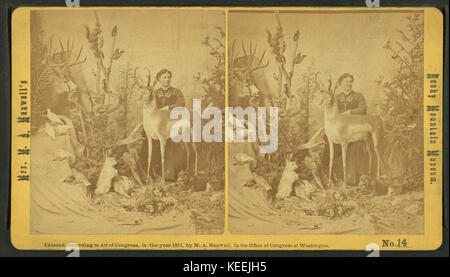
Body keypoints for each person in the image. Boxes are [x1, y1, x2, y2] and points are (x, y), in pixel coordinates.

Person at [323, 73, 370, 186]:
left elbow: (363, 109)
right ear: (340, 84)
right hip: (338, 129)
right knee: (328, 144)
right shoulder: (337, 97)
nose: (348, 84)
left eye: (350, 81)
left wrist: (350, 112)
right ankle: (329, 178)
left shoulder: (358, 96)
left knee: (356, 147)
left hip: (352, 129)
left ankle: (356, 180)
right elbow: (329, 109)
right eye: (346, 82)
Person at [140, 69, 187, 182]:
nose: (167, 79)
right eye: (164, 77)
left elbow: (181, 103)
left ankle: (171, 175)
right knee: (146, 137)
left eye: (168, 77)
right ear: (159, 79)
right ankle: (149, 173)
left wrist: (168, 107)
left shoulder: (176, 92)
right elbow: (148, 105)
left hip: (171, 121)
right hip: (156, 121)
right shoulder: (154, 93)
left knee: (173, 142)